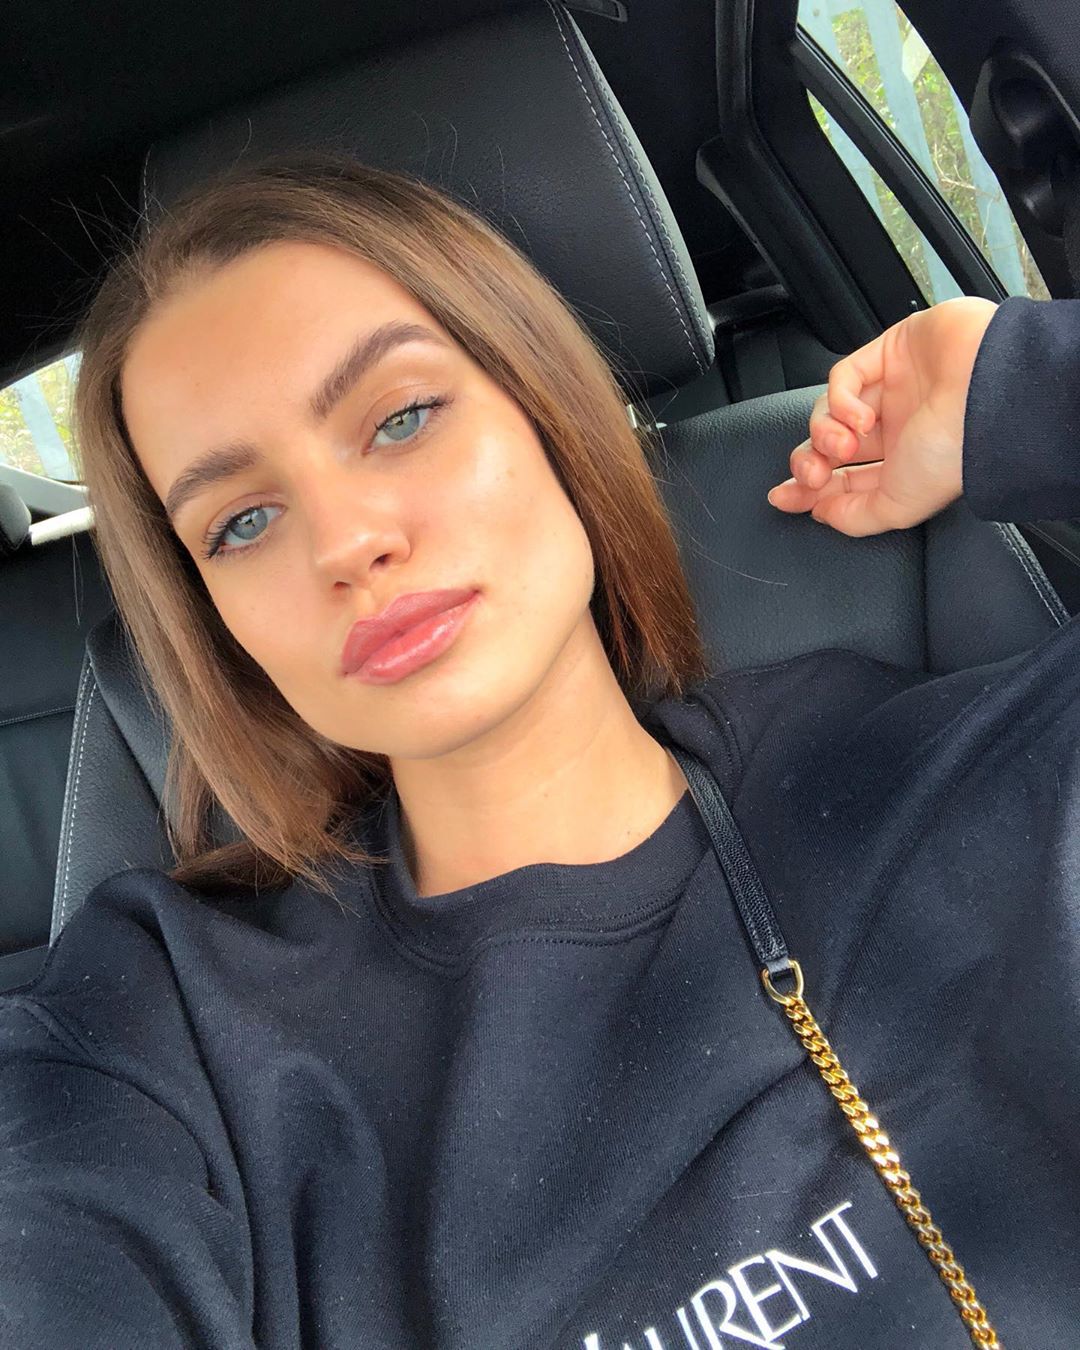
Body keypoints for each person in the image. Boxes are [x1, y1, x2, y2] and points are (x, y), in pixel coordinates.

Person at [0, 152, 1076, 1350]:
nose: (346, 543)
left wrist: (1018, 390)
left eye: (401, 418)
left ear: (548, 407)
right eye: (242, 522)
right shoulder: (163, 1031)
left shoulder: (957, 779)